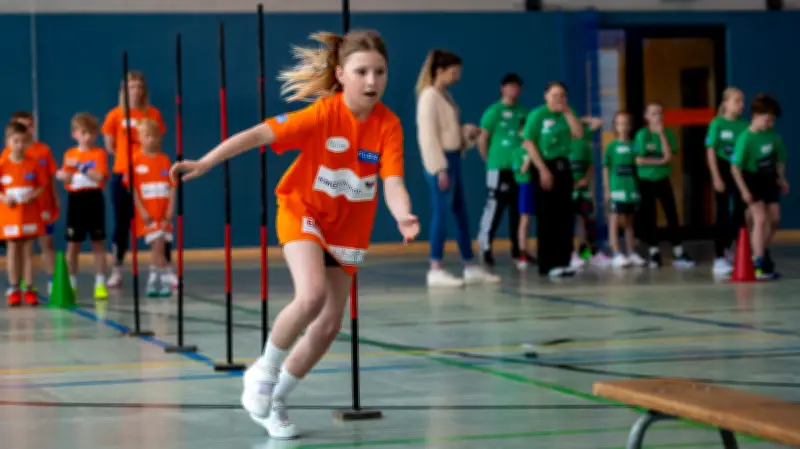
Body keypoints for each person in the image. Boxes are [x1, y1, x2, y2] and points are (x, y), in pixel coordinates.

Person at [170, 30, 420, 439]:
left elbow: (392, 180)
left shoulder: (388, 126)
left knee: (327, 326)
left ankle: (277, 398)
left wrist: (403, 213)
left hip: (349, 229)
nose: (371, 81)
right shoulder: (322, 115)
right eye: (361, 72)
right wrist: (207, 162)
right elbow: (257, 134)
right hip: (303, 212)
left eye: (379, 72)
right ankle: (262, 374)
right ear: (341, 74)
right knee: (311, 295)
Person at [415, 49, 499, 287]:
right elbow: (428, 136)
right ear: (440, 71)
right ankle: (435, 267)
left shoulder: (446, 96)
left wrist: (466, 133)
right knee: (441, 213)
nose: (458, 76)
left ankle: (469, 265)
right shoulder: (429, 96)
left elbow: (448, 132)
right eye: (454, 71)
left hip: (453, 158)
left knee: (461, 213)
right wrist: (439, 168)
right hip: (441, 163)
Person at [101, 72, 175, 289]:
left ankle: (165, 267)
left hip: (150, 177)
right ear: (124, 90)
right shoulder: (115, 115)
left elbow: (158, 138)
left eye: (139, 86)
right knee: (121, 225)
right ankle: (116, 269)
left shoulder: (152, 113)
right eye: (131, 86)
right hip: (125, 175)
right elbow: (110, 145)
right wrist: (129, 162)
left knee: (161, 224)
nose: (136, 90)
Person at [522, 82, 584, 277]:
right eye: (555, 95)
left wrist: (567, 112)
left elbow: (579, 134)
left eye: (563, 95)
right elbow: (529, 142)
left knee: (565, 215)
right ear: (546, 96)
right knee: (548, 217)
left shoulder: (567, 113)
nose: (559, 99)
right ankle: (548, 263)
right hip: (544, 165)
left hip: (563, 165)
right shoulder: (537, 114)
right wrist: (542, 170)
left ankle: (564, 261)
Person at [730, 93, 787, 280]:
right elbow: (735, 168)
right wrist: (744, 190)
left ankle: (759, 249)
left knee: (775, 218)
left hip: (769, 179)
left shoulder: (772, 136)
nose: (770, 124)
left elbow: (780, 158)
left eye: (773, 120)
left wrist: (781, 178)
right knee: (760, 218)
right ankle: (759, 262)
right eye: (767, 119)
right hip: (751, 179)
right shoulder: (746, 138)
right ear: (755, 115)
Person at [1, 111, 59, 294]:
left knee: (30, 249)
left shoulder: (35, 161)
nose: (18, 145)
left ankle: (32, 287)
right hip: (10, 214)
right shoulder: (3, 162)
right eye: (15, 141)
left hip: (31, 212)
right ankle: (14, 287)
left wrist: (35, 195)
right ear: (8, 141)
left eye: (22, 141)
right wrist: (4, 198)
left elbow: (43, 184)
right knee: (12, 249)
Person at [476, 73, 530, 267]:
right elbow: (482, 138)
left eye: (518, 87)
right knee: (495, 208)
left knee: (518, 210)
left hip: (519, 171)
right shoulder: (494, 111)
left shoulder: (523, 113)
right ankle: (485, 247)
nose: (514, 91)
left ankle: (517, 250)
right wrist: (489, 161)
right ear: (503, 88)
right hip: (498, 169)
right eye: (511, 86)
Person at [634, 102, 695, 269]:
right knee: (650, 216)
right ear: (646, 116)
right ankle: (654, 251)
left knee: (671, 214)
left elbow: (669, 157)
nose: (658, 117)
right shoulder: (642, 134)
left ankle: (678, 250)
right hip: (646, 180)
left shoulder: (668, 133)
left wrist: (661, 136)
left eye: (660, 113)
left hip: (662, 178)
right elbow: (638, 159)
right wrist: (658, 160)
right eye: (653, 113)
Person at [57, 113, 110, 299]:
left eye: (92, 133)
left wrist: (80, 167)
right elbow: (67, 178)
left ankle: (100, 283)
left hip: (94, 198)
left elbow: (100, 176)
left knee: (98, 243)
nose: (87, 137)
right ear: (75, 134)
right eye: (83, 132)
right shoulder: (69, 154)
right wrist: (64, 175)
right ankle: (71, 284)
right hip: (76, 200)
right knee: (73, 245)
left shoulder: (99, 153)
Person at [124, 119, 175, 297]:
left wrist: (170, 208)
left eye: (154, 136)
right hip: (148, 215)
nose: (151, 139)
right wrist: (142, 211)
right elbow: (133, 190)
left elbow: (172, 186)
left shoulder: (164, 160)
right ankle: (158, 279)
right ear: (139, 138)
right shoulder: (135, 160)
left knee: (160, 246)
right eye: (147, 136)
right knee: (157, 245)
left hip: (163, 214)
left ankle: (157, 280)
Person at [705, 87, 748, 276]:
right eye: (737, 101)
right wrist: (716, 176)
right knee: (722, 212)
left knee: (740, 212)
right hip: (723, 168)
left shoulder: (745, 126)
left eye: (742, 101)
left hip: (739, 170)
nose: (741, 105)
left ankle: (732, 247)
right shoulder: (717, 123)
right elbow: (711, 150)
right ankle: (719, 256)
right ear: (726, 103)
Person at [603, 112, 645, 268]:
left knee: (629, 221)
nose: (623, 126)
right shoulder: (611, 147)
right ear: (615, 126)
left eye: (626, 123)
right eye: (619, 123)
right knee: (614, 219)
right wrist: (607, 188)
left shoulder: (634, 146)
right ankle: (615, 252)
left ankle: (631, 251)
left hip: (631, 188)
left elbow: (639, 164)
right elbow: (606, 168)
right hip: (616, 188)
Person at [569, 116, 608, 269]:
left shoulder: (583, 143)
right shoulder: (562, 144)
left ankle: (588, 253)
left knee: (588, 222)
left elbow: (590, 166)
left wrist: (585, 180)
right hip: (569, 191)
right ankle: (570, 254)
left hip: (584, 192)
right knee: (568, 224)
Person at [511, 118, 535, 270]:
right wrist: (531, 157)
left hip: (537, 185)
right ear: (520, 132)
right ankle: (522, 253)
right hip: (525, 186)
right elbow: (521, 170)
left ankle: (584, 254)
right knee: (524, 219)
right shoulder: (518, 151)